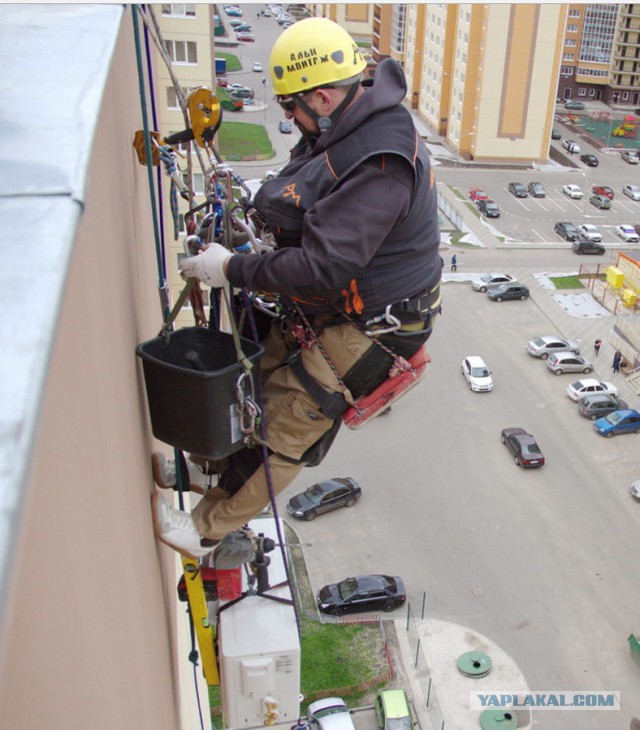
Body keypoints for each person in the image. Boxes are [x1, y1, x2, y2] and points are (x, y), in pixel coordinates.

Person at [152, 17, 443, 563]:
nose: (288, 117)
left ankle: (203, 530)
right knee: (250, 382)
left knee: (287, 421)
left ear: (326, 95)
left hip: (374, 330)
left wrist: (233, 270)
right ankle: (204, 470)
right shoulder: (343, 129)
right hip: (334, 310)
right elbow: (303, 202)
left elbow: (321, 267)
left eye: (291, 106)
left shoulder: (382, 161)